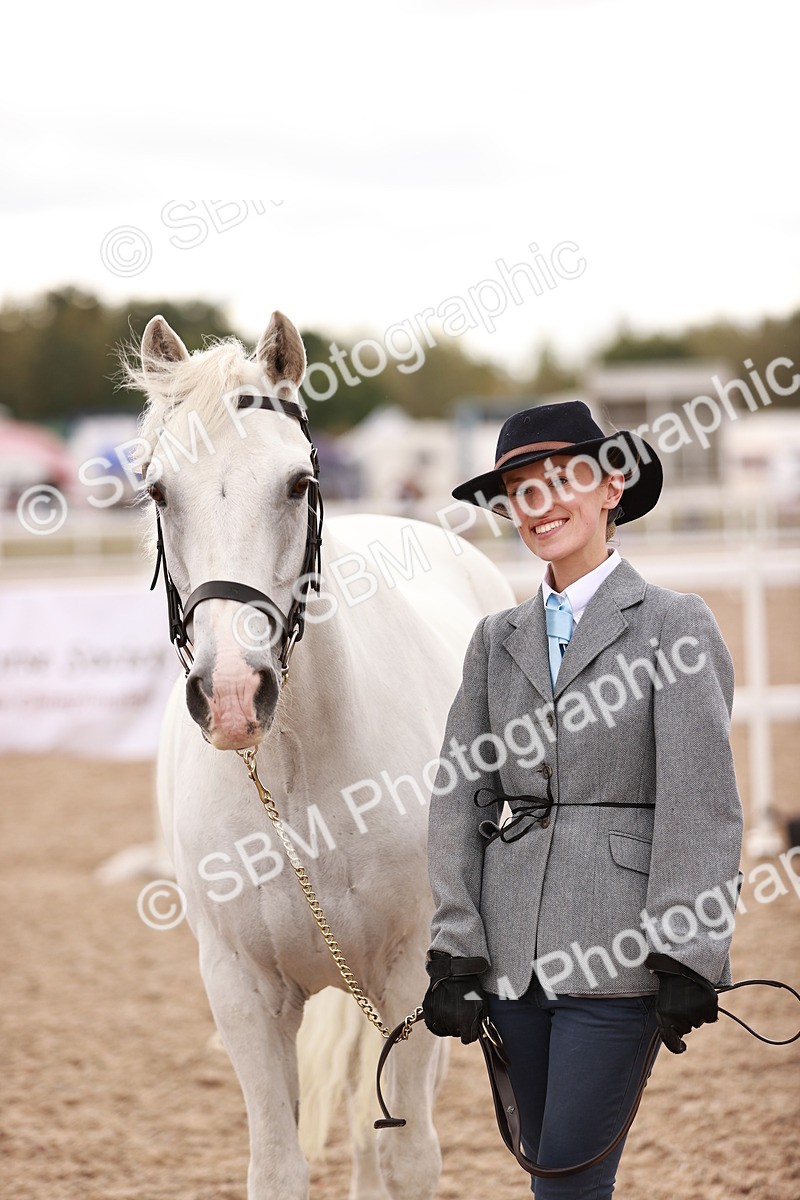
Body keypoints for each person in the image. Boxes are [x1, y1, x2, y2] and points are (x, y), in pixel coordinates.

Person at [422, 401, 744, 1198]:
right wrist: (455, 946)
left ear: (612, 488)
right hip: (510, 957)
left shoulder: (675, 626)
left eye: (565, 479)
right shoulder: (495, 640)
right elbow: (460, 793)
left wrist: (689, 951)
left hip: (624, 955)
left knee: (568, 1178)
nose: (544, 503)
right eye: (524, 491)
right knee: (546, 1168)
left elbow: (701, 800)